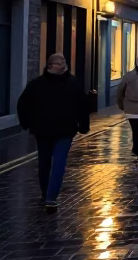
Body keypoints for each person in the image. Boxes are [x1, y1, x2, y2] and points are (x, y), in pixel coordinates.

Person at [16, 54, 90, 212]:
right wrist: (27, 124)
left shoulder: (42, 84)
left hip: (54, 130)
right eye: (59, 63)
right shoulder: (67, 84)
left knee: (51, 162)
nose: (61, 66)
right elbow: (23, 105)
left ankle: (48, 196)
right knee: (51, 163)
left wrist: (27, 124)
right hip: (53, 130)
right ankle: (48, 195)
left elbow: (82, 106)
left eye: (61, 63)